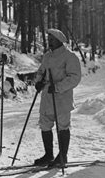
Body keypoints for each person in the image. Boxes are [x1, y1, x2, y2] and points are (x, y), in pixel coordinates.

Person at [33, 28, 81, 167]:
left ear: (60, 41)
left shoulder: (69, 56)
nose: (50, 42)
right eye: (49, 39)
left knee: (62, 126)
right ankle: (48, 155)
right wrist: (39, 82)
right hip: (47, 96)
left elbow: (75, 78)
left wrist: (58, 87)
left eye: (52, 40)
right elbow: (41, 71)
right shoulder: (47, 56)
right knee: (45, 125)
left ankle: (62, 156)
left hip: (62, 98)